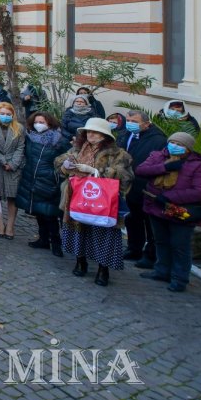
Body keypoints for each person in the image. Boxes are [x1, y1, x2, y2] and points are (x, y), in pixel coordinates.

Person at [55, 117, 133, 287]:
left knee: (103, 235)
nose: (91, 135)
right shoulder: (77, 149)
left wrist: (96, 171)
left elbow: (125, 177)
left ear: (105, 136)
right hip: (76, 198)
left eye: (96, 132)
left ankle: (103, 269)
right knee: (78, 231)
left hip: (102, 202)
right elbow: (60, 163)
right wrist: (64, 166)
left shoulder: (118, 154)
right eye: (89, 131)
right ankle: (80, 261)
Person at [135, 132, 201, 293]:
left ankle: (179, 278)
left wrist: (169, 197)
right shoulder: (158, 156)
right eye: (172, 142)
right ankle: (162, 270)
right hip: (155, 206)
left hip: (179, 211)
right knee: (161, 241)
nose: (174, 146)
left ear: (188, 149)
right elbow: (141, 170)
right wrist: (164, 167)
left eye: (179, 144)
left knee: (179, 245)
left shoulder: (197, 165)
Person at [118, 110, 168, 268]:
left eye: (134, 120)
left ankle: (151, 254)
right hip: (129, 185)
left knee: (149, 223)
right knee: (132, 219)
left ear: (146, 124)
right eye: (128, 119)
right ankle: (134, 248)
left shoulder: (158, 140)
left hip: (147, 187)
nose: (130, 123)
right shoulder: (126, 134)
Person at [18, 112, 66, 257]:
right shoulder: (30, 138)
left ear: (50, 123)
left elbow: (64, 160)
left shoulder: (58, 140)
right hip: (31, 177)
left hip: (49, 180)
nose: (39, 124)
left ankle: (56, 242)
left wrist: (55, 175)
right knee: (38, 211)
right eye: (36, 121)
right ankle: (43, 239)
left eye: (42, 122)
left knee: (50, 214)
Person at [0, 101, 24, 240]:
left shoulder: (19, 128)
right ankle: (0, 224)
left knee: (12, 198)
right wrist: (2, 160)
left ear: (13, 115)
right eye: (2, 114)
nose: (5, 116)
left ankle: (10, 226)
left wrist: (12, 164)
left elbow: (20, 147)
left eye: (8, 114)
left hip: (14, 166)